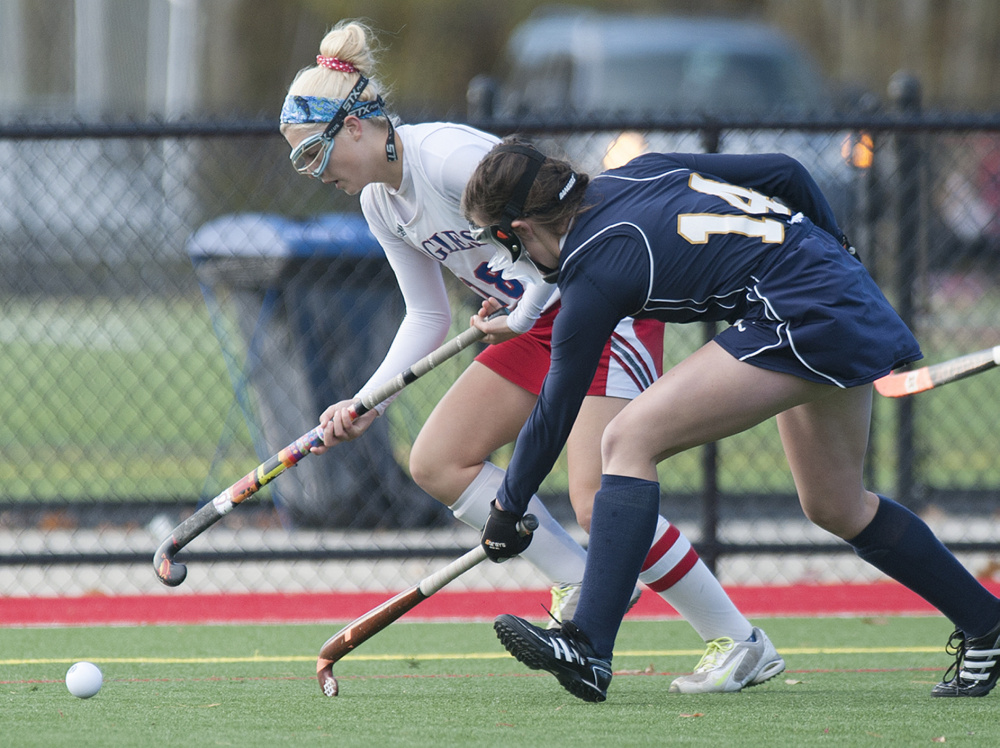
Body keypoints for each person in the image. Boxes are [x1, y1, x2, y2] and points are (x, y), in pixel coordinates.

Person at [277, 19, 784, 693]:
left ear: (356, 127)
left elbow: (565, 230)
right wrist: (372, 400)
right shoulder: (379, 203)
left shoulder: (447, 158)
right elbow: (427, 314)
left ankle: (742, 642)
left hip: (599, 305)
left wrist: (518, 310)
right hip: (529, 326)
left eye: (314, 154)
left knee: (598, 494)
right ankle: (581, 582)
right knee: (438, 460)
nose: (315, 174)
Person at [465, 139, 1000, 702]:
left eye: (499, 242)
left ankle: (590, 645)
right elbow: (787, 171)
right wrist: (839, 254)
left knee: (627, 438)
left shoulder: (595, 267)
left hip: (800, 312)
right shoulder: (637, 171)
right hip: (830, 291)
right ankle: (987, 624)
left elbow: (556, 408)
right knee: (836, 505)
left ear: (519, 228)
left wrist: (506, 509)